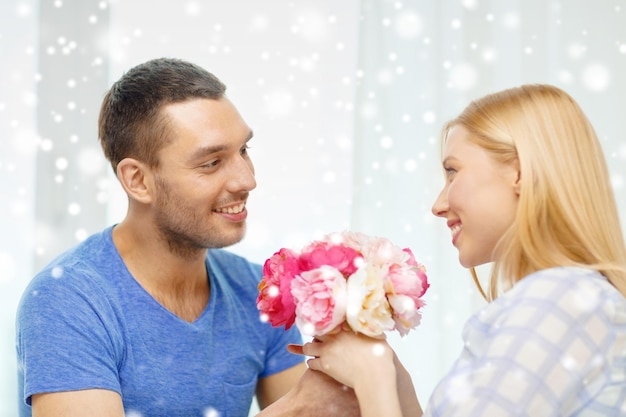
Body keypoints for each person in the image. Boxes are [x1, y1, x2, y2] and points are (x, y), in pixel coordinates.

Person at [277, 84, 626, 416]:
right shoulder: (568, 301)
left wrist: (373, 380)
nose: (438, 204)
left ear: (520, 172)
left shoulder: (557, 301)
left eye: (452, 172)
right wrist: (395, 383)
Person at [15, 57, 308, 417]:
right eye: (211, 163)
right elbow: (301, 407)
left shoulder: (256, 290)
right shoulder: (68, 300)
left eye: (243, 151)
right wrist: (295, 407)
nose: (246, 180)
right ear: (138, 180)